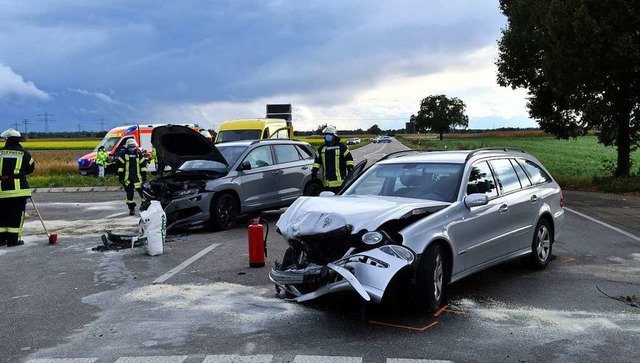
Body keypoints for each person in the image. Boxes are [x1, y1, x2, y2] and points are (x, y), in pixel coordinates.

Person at [0, 128, 35, 247]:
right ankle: (13, 240)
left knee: (2, 215)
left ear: (7, 140)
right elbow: (31, 168)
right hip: (18, 190)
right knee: (16, 215)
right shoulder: (24, 153)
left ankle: (1, 240)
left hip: (2, 190)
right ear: (18, 140)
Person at [312, 125, 354, 194]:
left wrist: (350, 169)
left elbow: (349, 159)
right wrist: (314, 172)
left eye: (328, 135)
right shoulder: (321, 149)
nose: (326, 136)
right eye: (325, 135)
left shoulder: (342, 147)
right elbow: (317, 162)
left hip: (340, 183)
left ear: (334, 136)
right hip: (327, 184)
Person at [116, 138, 148, 215]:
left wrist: (144, 177)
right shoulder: (123, 154)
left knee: (143, 194)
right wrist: (120, 176)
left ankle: (145, 207)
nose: (132, 148)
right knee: (129, 195)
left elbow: (143, 166)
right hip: (128, 178)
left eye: (133, 146)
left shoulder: (139, 154)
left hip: (138, 178)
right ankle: (131, 209)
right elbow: (120, 167)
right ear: (127, 146)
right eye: (130, 146)